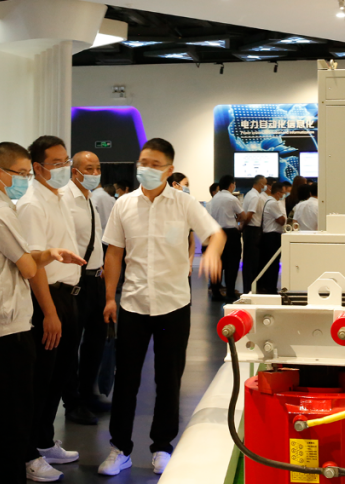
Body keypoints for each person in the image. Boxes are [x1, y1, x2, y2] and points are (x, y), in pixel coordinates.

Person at [98, 138, 225, 476]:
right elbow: (114, 253)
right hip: (134, 304)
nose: (148, 169)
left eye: (155, 164)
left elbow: (215, 234)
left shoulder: (184, 204)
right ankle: (119, 448)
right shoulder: (124, 205)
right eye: (144, 162)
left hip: (173, 305)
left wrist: (212, 252)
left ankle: (162, 446)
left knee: (169, 379)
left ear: (169, 170)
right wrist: (109, 297)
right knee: (126, 380)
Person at [0, 141, 86, 484]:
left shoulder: (15, 204)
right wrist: (42, 263)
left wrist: (49, 254)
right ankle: (19, 462)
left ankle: (35, 448)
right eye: (21, 173)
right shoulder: (0, 210)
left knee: (20, 404)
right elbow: (26, 265)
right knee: (10, 414)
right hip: (6, 322)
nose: (24, 180)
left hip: (17, 316)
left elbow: (28, 258)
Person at [17, 135, 84, 467]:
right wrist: (49, 312)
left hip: (68, 296)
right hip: (48, 297)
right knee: (40, 379)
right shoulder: (32, 204)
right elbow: (34, 264)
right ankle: (28, 452)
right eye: (56, 163)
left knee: (58, 376)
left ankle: (43, 440)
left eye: (65, 161)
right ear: (37, 167)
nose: (64, 168)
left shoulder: (58, 197)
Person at [64, 151, 108, 421]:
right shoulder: (65, 199)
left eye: (97, 168)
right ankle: (72, 402)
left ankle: (88, 392)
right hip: (74, 280)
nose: (94, 173)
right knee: (71, 344)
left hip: (95, 279)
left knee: (96, 339)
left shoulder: (90, 199)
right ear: (75, 171)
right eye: (89, 169)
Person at [206, 174, 244, 301]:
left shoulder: (212, 200)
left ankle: (215, 293)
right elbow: (243, 215)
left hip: (215, 234)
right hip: (231, 234)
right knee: (232, 264)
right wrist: (237, 220)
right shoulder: (232, 199)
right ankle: (230, 293)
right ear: (231, 185)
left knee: (217, 264)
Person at [257, 180, 288, 293]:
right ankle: (271, 288)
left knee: (270, 263)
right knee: (273, 264)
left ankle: (269, 286)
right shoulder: (273, 203)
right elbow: (281, 220)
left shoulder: (269, 201)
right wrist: (284, 217)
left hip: (269, 236)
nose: (284, 195)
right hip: (272, 236)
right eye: (283, 192)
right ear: (278, 193)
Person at [240, 175, 267, 294]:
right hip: (253, 230)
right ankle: (250, 289)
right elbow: (250, 215)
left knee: (248, 261)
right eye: (264, 183)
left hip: (250, 230)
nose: (265, 186)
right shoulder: (255, 196)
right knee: (252, 262)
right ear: (260, 183)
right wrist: (243, 226)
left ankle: (248, 288)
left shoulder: (249, 194)